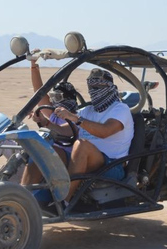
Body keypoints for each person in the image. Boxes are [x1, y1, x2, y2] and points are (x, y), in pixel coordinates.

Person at [53, 68, 134, 202]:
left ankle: (63, 202)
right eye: (91, 86)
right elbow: (64, 130)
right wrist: (45, 123)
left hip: (112, 165)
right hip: (87, 160)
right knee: (51, 150)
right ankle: (25, 199)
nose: (93, 90)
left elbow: (104, 131)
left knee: (81, 145)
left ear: (109, 87)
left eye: (98, 86)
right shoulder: (87, 110)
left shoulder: (120, 109)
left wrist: (76, 118)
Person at [21, 57, 79, 185]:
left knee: (42, 153)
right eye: (52, 97)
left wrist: (45, 122)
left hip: (66, 157)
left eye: (57, 97)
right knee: (22, 151)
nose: (54, 101)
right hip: (52, 153)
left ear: (69, 99)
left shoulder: (75, 118)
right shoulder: (54, 115)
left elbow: (64, 130)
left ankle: (24, 194)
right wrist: (34, 65)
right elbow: (39, 92)